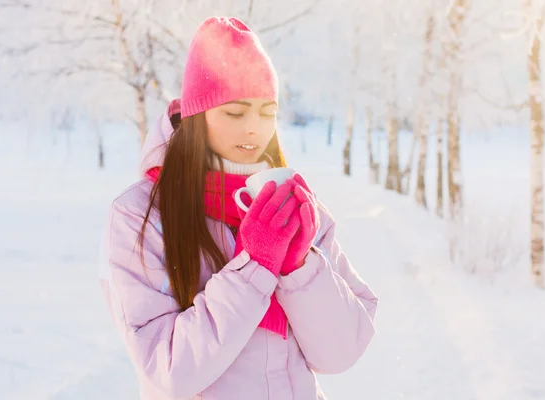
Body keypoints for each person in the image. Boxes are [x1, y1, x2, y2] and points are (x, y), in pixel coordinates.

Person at [99, 16, 378, 400]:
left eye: (267, 113)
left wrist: (300, 267)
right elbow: (167, 371)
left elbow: (342, 352)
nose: (253, 128)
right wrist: (255, 267)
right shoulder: (140, 216)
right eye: (234, 112)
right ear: (198, 115)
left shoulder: (292, 206)